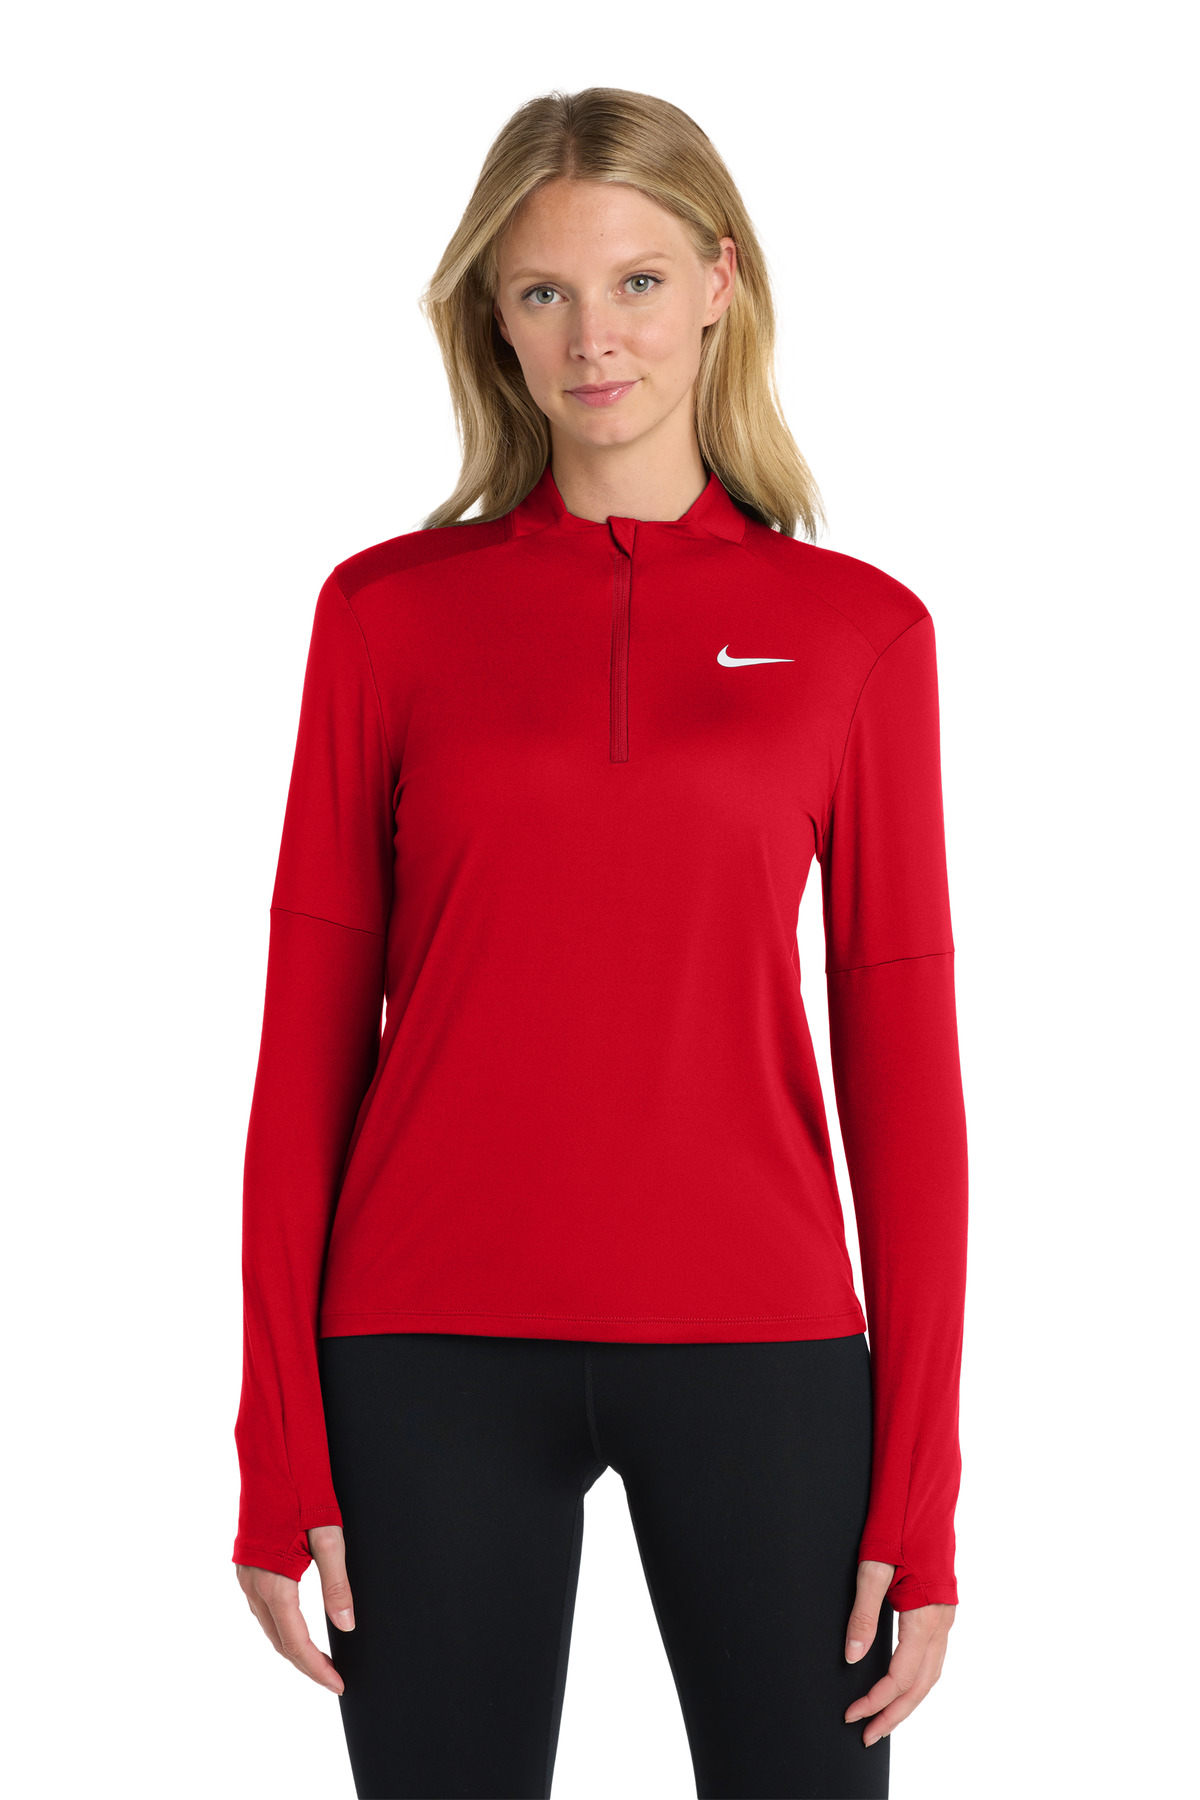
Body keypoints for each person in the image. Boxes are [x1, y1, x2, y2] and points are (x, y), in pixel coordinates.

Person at [232, 86, 968, 1800]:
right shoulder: (385, 617)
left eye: (636, 282)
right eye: (545, 291)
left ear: (719, 282)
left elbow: (906, 1077)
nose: (594, 338)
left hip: (765, 1351)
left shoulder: (859, 636)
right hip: (423, 1352)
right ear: (492, 316)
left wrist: (921, 1488)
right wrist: (276, 1439)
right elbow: (305, 1047)